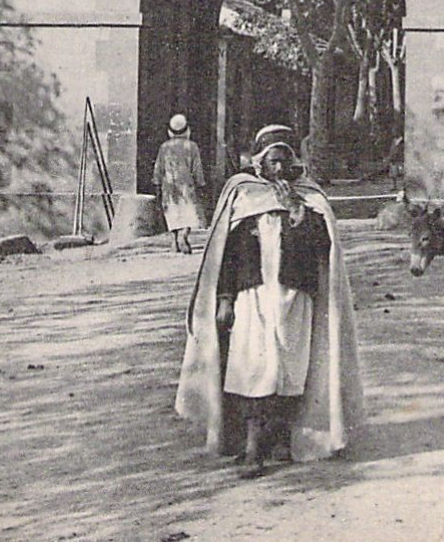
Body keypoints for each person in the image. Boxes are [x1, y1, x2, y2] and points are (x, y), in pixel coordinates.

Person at [175, 124, 365, 476]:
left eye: (285, 161)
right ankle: (251, 447)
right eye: (272, 161)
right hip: (253, 297)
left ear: (294, 163)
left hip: (296, 297)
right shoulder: (242, 195)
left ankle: (279, 439)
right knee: (252, 369)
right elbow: (226, 256)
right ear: (259, 163)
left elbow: (325, 252)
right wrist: (226, 299)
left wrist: (301, 217)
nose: (279, 168)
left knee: (288, 371)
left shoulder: (310, 198)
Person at [153, 114, 206, 254]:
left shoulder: (164, 147)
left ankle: (174, 239)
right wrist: (200, 183)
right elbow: (197, 168)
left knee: (172, 212)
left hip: (169, 186)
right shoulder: (192, 146)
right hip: (186, 186)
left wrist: (157, 183)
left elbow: (159, 168)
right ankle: (183, 234)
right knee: (188, 212)